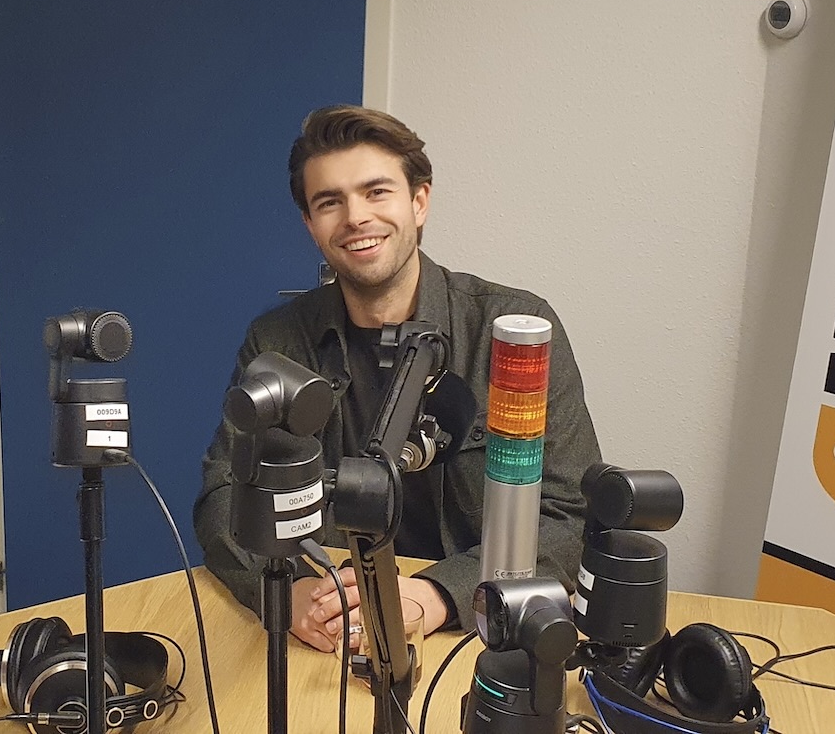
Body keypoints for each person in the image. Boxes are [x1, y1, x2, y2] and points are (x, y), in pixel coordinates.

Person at [194, 105, 602, 653]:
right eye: (330, 202)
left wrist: (438, 595)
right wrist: (287, 595)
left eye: (376, 192)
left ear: (419, 201)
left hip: (478, 628)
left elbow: (568, 512)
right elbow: (226, 492)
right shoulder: (277, 340)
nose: (355, 217)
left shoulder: (513, 332)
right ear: (310, 225)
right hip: (331, 623)